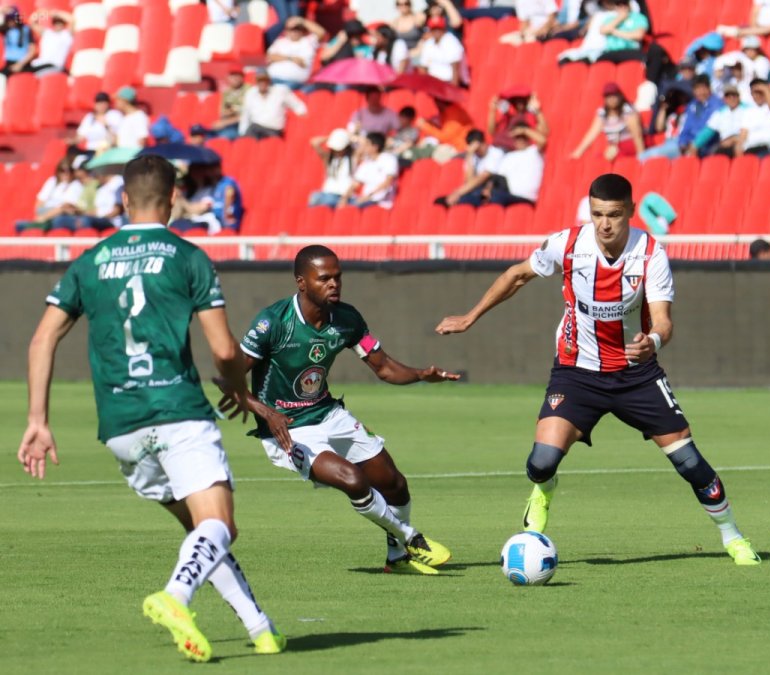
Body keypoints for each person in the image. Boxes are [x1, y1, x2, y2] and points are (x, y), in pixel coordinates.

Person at [19, 155, 284, 662]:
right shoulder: (188, 257)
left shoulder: (89, 261)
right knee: (220, 524)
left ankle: (261, 628)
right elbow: (226, 351)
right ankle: (174, 597)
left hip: (120, 426)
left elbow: (40, 340)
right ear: (172, 201)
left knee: (200, 531)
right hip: (177, 410)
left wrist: (38, 421)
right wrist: (237, 387)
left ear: (122, 200)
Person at [436, 173, 762, 566]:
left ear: (630, 212)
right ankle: (543, 491)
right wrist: (471, 317)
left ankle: (733, 537)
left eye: (614, 215)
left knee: (690, 463)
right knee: (541, 463)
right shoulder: (569, 244)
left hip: (635, 376)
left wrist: (652, 342)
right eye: (597, 214)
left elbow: (663, 321)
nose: (605, 224)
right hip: (576, 371)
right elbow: (517, 275)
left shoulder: (651, 254)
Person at [214, 245, 459, 574]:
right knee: (352, 479)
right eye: (324, 278)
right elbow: (225, 379)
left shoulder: (347, 319)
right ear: (302, 283)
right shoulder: (273, 321)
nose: (334, 284)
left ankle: (397, 559)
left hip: (328, 414)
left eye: (338, 277)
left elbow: (384, 367)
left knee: (394, 483)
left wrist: (420, 375)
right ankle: (410, 538)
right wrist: (266, 412)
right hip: (287, 429)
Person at [640, 74, 722, 159]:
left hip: (705, 146)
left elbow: (708, 129)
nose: (700, 92)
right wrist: (683, 143)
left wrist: (694, 144)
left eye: (702, 88)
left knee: (646, 157)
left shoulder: (717, 105)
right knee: (644, 156)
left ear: (709, 88)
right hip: (685, 144)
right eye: (697, 88)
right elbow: (686, 127)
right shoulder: (693, 104)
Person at [571, 82, 644, 159]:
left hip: (629, 144)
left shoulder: (628, 110)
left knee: (610, 155)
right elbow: (592, 133)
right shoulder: (602, 113)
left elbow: (637, 134)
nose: (611, 99)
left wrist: (641, 155)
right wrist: (579, 152)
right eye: (608, 96)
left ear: (619, 96)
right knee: (599, 159)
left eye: (614, 95)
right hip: (614, 147)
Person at [15, 158, 83, 233]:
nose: (66, 174)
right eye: (62, 171)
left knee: (58, 220)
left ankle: (38, 225)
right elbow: (40, 202)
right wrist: (42, 215)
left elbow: (66, 207)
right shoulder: (52, 181)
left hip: (60, 214)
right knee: (18, 224)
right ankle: (39, 225)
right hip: (46, 211)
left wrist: (44, 217)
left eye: (69, 171)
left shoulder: (76, 185)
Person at [239, 69, 308, 139]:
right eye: (259, 80)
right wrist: (242, 133)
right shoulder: (251, 93)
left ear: (269, 80)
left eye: (264, 80)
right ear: (256, 82)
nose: (262, 83)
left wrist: (303, 116)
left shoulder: (280, 90)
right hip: (255, 128)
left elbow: (297, 105)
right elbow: (245, 115)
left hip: (273, 130)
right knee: (248, 136)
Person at [345, 132, 399, 208]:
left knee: (352, 209)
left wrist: (368, 196)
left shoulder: (389, 159)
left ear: (375, 147)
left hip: (380, 202)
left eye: (367, 144)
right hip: (366, 199)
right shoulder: (367, 162)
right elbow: (356, 183)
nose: (363, 147)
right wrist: (344, 198)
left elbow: (387, 183)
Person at [266, 17, 324, 88]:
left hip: (293, 82)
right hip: (273, 79)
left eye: (297, 28)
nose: (294, 31)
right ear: (286, 31)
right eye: (291, 29)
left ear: (302, 30)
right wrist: (291, 59)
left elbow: (321, 32)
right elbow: (270, 56)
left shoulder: (308, 41)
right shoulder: (280, 42)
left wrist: (301, 21)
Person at [488, 88, 549, 152]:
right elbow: (492, 132)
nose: (519, 103)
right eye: (516, 100)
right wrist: (492, 111)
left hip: (514, 152)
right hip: (497, 149)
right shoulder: (508, 117)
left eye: (522, 100)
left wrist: (538, 111)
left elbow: (545, 133)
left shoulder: (530, 117)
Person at [309, 129, 356, 207]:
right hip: (327, 193)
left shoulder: (352, 159)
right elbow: (314, 142)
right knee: (315, 196)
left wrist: (350, 138)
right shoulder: (328, 159)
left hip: (343, 196)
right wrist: (331, 138)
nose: (336, 151)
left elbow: (364, 144)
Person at [412, 15, 464, 84]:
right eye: (433, 29)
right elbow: (424, 67)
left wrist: (453, 91)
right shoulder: (429, 43)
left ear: (443, 29)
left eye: (438, 28)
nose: (436, 31)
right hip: (432, 82)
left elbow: (456, 69)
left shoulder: (451, 41)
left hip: (448, 83)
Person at [29, 10, 72, 75]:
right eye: (55, 22)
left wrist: (57, 14)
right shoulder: (47, 33)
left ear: (64, 24)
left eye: (60, 22)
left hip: (55, 66)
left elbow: (72, 20)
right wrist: (46, 13)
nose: (58, 24)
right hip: (40, 65)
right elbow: (32, 22)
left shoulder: (66, 35)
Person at [213, 70, 248, 139]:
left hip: (242, 125)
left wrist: (226, 121)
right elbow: (222, 113)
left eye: (238, 75)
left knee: (223, 137)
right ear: (228, 77)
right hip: (228, 123)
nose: (235, 78)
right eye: (233, 75)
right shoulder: (226, 92)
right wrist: (229, 112)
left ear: (243, 77)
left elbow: (246, 115)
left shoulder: (249, 90)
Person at [2, 7, 36, 75]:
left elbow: (32, 50)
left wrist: (20, 64)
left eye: (12, 19)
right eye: (8, 19)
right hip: (8, 63)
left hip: (22, 63)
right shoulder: (5, 29)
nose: (10, 21)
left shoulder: (26, 29)